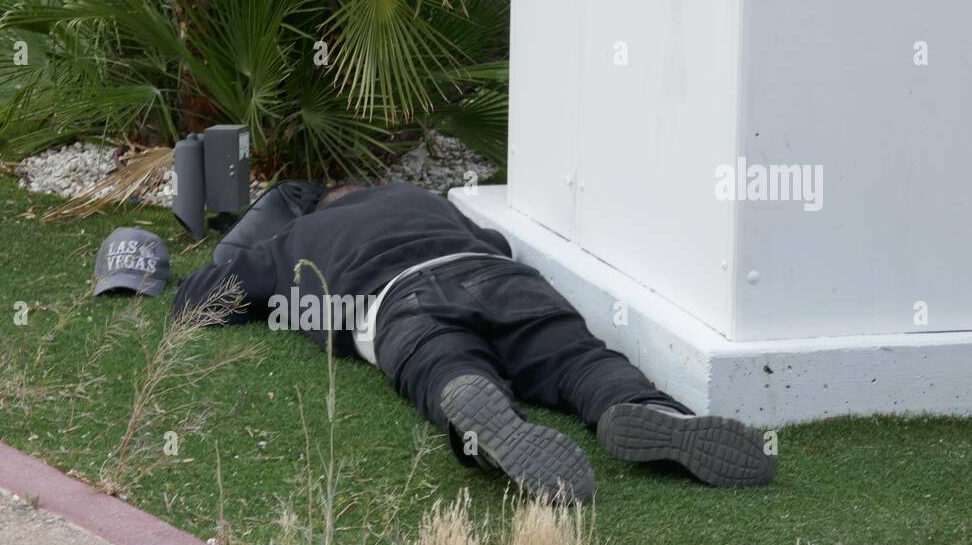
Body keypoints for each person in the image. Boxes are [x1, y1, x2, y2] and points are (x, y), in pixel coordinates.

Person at [172, 182, 776, 501]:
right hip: (499, 277)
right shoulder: (422, 198)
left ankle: (477, 410)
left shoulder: (298, 235)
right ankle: (642, 409)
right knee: (577, 360)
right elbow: (499, 241)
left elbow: (205, 298)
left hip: (397, 297)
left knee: (441, 363)